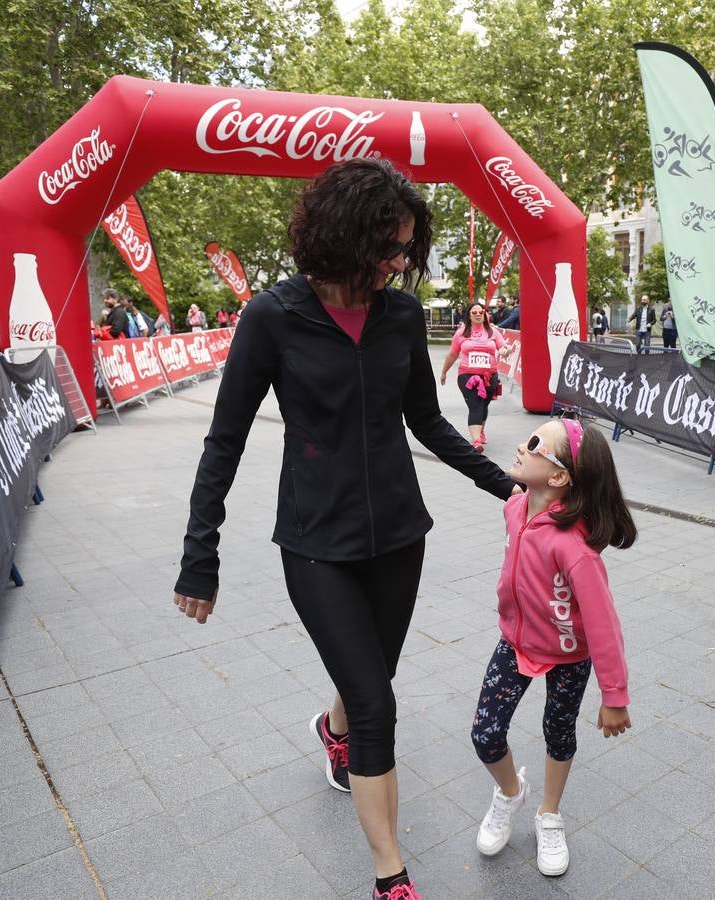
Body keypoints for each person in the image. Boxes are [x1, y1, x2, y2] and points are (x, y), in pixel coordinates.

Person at [172, 158, 515, 900]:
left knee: (368, 685)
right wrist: (201, 555)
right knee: (377, 706)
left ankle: (332, 732)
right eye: (387, 248)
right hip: (315, 543)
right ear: (342, 238)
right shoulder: (274, 317)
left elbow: (426, 420)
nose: (399, 263)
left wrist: (508, 487)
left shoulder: (399, 316)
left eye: (406, 250)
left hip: (399, 536)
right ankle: (391, 877)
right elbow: (223, 440)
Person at [470, 416, 635, 877]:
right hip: (515, 643)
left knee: (559, 734)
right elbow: (494, 482)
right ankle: (509, 793)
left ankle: (549, 813)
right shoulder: (514, 508)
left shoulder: (574, 546)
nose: (522, 443)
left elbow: (603, 623)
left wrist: (615, 697)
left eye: (536, 442)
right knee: (485, 736)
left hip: (569, 655)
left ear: (559, 476)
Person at [439, 301, 507, 451]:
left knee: (483, 405)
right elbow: (452, 354)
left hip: (490, 376)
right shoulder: (461, 333)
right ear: (469, 315)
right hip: (467, 375)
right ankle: (476, 442)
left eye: (480, 312)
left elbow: (503, 347)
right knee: (475, 405)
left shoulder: (492, 332)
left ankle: (480, 431)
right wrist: (444, 372)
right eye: (474, 312)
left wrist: (504, 351)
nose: (478, 314)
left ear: (485, 314)